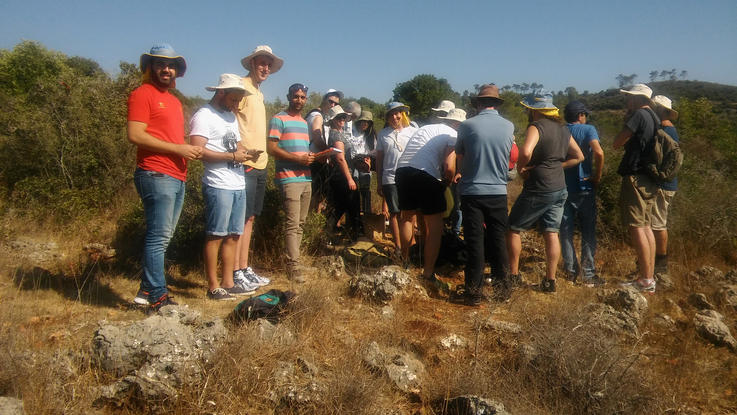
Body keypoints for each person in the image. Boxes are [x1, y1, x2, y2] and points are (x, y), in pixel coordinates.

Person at [127, 44, 202, 311]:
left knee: (164, 236)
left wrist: (186, 150)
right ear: (150, 67)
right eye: (160, 64)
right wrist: (179, 149)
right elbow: (135, 135)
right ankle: (158, 295)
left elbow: (169, 137)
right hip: (156, 172)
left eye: (171, 65)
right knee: (159, 236)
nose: (166, 69)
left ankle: (145, 292)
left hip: (176, 174)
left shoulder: (174, 100)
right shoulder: (142, 94)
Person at [507, 90, 584, 293]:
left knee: (513, 228)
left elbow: (525, 152)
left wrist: (521, 168)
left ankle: (513, 275)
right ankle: (550, 281)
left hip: (539, 187)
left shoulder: (536, 126)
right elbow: (579, 156)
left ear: (533, 111)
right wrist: (558, 166)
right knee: (552, 232)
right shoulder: (562, 129)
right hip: (560, 188)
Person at [190, 74, 256, 300]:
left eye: (239, 100)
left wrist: (246, 153)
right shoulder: (203, 115)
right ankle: (213, 285)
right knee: (215, 235)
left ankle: (228, 282)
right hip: (218, 183)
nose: (236, 104)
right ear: (221, 93)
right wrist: (232, 155)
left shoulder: (230, 116)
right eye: (234, 99)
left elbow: (237, 145)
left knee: (234, 235)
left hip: (237, 182)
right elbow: (198, 150)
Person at [454, 85, 515, 305]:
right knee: (498, 240)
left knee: (474, 242)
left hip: (472, 191)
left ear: (478, 104)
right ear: (497, 104)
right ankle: (503, 291)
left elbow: (460, 154)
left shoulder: (467, 126)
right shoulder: (509, 127)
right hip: (498, 191)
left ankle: (473, 293)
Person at [232, 46, 283, 290]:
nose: (265, 68)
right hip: (246, 164)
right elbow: (230, 120)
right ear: (251, 63)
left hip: (260, 163)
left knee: (250, 217)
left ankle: (243, 267)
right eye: (261, 63)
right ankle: (234, 271)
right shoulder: (240, 87)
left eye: (268, 65)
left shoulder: (259, 92)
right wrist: (240, 149)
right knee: (241, 219)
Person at [395, 108, 466, 280]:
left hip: (402, 171)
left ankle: (404, 261)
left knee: (407, 217)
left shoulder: (425, 128)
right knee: (435, 225)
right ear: (458, 124)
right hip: (425, 174)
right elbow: (449, 167)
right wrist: (446, 183)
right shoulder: (452, 134)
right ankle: (428, 272)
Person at [613, 84, 660, 292]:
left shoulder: (639, 115)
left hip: (635, 176)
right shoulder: (655, 117)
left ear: (637, 98)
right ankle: (648, 277)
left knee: (636, 226)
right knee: (646, 226)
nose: (627, 101)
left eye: (629, 97)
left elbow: (617, 142)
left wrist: (626, 121)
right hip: (649, 178)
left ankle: (645, 280)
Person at [266, 84, 315, 283]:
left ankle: (295, 260)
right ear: (288, 97)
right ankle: (292, 266)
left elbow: (300, 149)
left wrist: (310, 157)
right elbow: (271, 147)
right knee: (292, 223)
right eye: (296, 96)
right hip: (288, 178)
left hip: (305, 177)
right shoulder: (278, 119)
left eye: (303, 97)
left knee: (301, 223)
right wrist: (298, 159)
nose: (299, 100)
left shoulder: (304, 122)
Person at [559, 101, 606, 287]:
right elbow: (599, 153)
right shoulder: (588, 129)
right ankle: (588, 274)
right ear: (580, 115)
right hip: (584, 187)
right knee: (587, 232)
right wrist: (597, 176)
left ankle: (570, 272)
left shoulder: (560, 131)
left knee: (565, 231)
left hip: (562, 186)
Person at [376, 102, 417, 254]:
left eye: (397, 113)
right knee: (394, 213)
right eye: (391, 114)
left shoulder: (413, 131)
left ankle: (411, 245)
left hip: (409, 177)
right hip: (389, 177)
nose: (395, 117)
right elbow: (379, 160)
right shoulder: (383, 134)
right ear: (387, 117)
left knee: (408, 213)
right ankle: (399, 247)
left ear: (403, 114)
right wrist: (379, 182)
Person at [650, 95, 680, 274]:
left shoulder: (664, 131)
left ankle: (659, 266)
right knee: (656, 224)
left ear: (660, 110)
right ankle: (654, 264)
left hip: (662, 185)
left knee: (658, 224)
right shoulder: (670, 130)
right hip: (667, 184)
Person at [325, 105, 359, 239]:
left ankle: (332, 234)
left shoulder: (336, 133)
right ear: (333, 119)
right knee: (347, 205)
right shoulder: (336, 135)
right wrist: (350, 179)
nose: (342, 120)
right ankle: (354, 235)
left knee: (341, 205)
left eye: (343, 117)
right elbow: (340, 158)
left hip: (340, 174)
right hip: (342, 176)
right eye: (339, 117)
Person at [307, 89, 343, 213]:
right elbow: (317, 138)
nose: (333, 105)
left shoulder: (323, 116)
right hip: (315, 160)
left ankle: (314, 221)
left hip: (318, 159)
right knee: (315, 194)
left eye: (336, 103)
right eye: (330, 101)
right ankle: (312, 223)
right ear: (324, 99)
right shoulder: (317, 115)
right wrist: (327, 151)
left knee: (318, 194)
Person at [349, 110, 377, 228]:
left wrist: (369, 159)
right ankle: (353, 220)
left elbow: (375, 151)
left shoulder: (371, 135)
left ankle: (366, 219)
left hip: (365, 164)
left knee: (365, 191)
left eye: (367, 122)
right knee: (353, 191)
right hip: (352, 163)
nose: (364, 124)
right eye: (362, 121)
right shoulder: (352, 131)